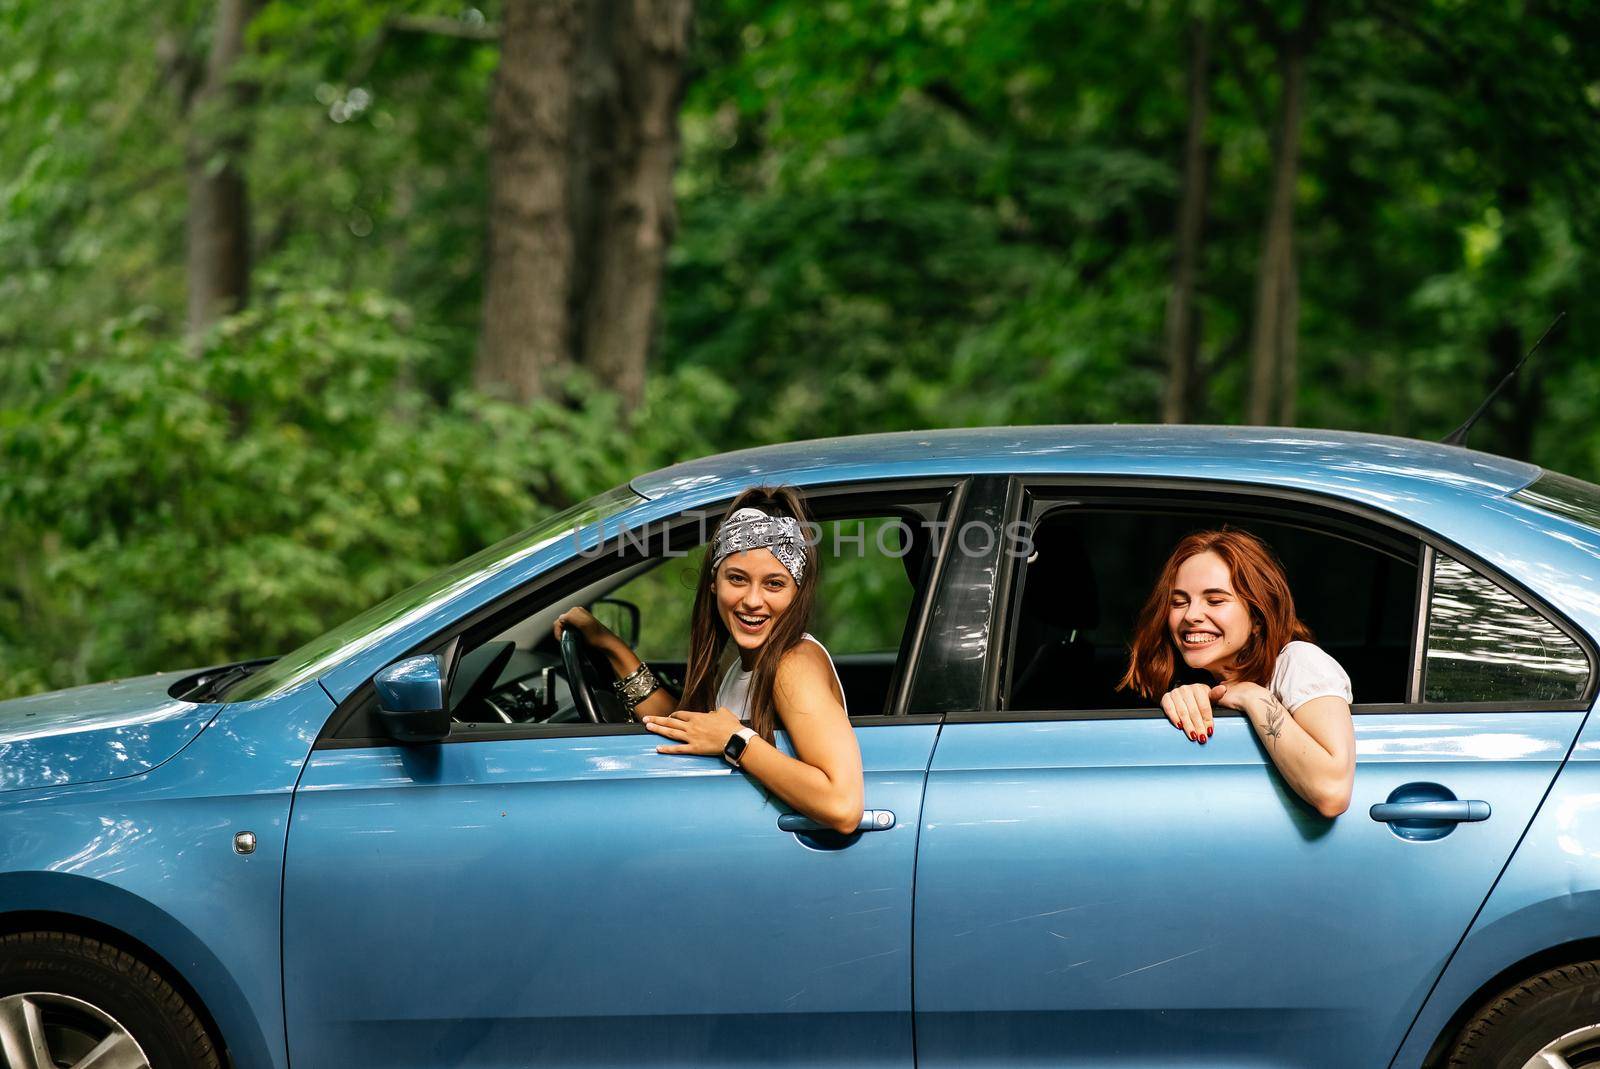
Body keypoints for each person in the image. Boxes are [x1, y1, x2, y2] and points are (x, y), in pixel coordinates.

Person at [552, 485, 865, 834]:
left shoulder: (793, 665)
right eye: (737, 579)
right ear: (715, 581)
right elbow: (685, 727)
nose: (752, 600)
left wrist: (736, 741)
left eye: (774, 584)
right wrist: (610, 646)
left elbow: (842, 806)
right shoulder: (742, 662)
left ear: (797, 591)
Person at [1119, 528, 1355, 818]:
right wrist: (1191, 698)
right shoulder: (1205, 679)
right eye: (1179, 602)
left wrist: (1253, 698)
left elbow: (1332, 793)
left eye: (1215, 600)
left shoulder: (1299, 661)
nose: (1191, 615)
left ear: (1257, 617)